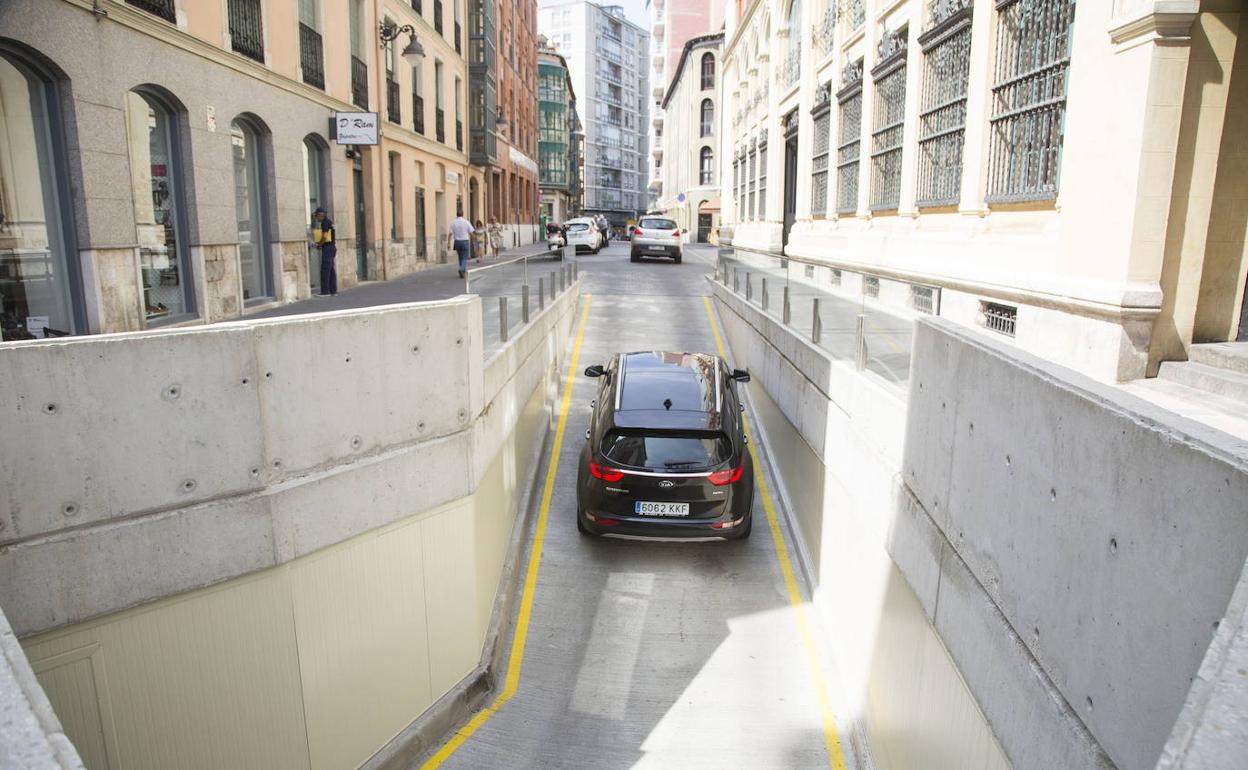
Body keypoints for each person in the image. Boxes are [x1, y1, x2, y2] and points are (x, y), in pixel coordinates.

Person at [312, 207, 337, 296]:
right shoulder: (329, 222)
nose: (316, 218)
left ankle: (325, 291)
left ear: (320, 215)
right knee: (331, 270)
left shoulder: (325, 223)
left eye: (317, 216)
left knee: (325, 270)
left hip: (328, 248)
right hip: (332, 247)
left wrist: (319, 244)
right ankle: (333, 291)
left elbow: (325, 236)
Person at [448, 210, 475, 279]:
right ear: (462, 214)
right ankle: (461, 269)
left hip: (457, 242)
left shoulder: (453, 222)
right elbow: (471, 232)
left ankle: (462, 271)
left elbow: (450, 233)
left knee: (460, 256)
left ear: (456, 214)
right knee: (465, 257)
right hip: (465, 241)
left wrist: (448, 243)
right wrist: (474, 240)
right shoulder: (466, 222)